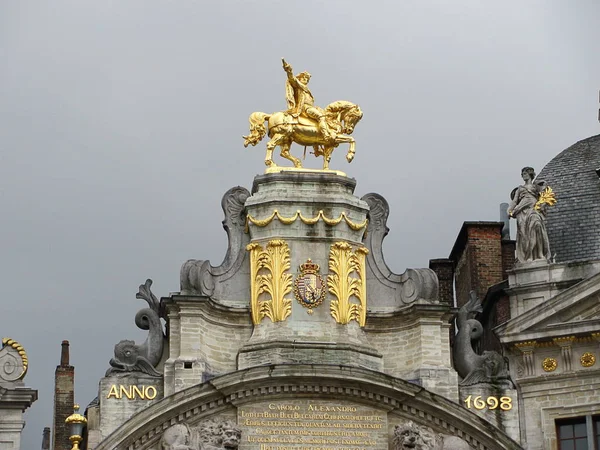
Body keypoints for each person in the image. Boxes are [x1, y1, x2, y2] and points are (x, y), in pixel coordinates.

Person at [507, 167, 551, 263]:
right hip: (522, 212)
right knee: (525, 234)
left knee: (537, 226)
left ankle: (539, 253)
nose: (523, 175)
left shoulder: (535, 186)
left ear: (530, 174)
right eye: (522, 174)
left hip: (533, 210)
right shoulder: (520, 188)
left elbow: (545, 194)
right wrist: (509, 210)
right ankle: (529, 255)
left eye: (525, 173)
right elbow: (514, 201)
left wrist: (543, 203)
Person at [282, 58, 333, 140]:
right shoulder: (298, 86)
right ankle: (325, 135)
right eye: (304, 78)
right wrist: (289, 71)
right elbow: (292, 78)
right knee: (321, 117)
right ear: (300, 79)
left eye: (307, 79)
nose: (306, 80)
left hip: (310, 107)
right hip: (305, 108)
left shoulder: (306, 89)